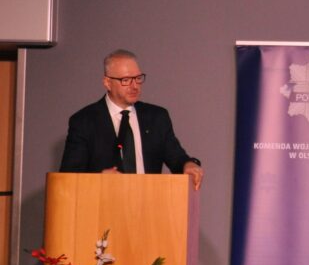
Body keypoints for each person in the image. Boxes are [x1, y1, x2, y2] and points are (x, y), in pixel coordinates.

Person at [59, 49, 204, 190]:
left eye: (138, 78)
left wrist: (188, 164)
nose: (134, 86)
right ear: (107, 82)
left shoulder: (156, 117)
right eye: (126, 80)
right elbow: (68, 179)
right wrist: (99, 179)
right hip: (104, 202)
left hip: (150, 202)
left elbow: (177, 159)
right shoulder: (84, 121)